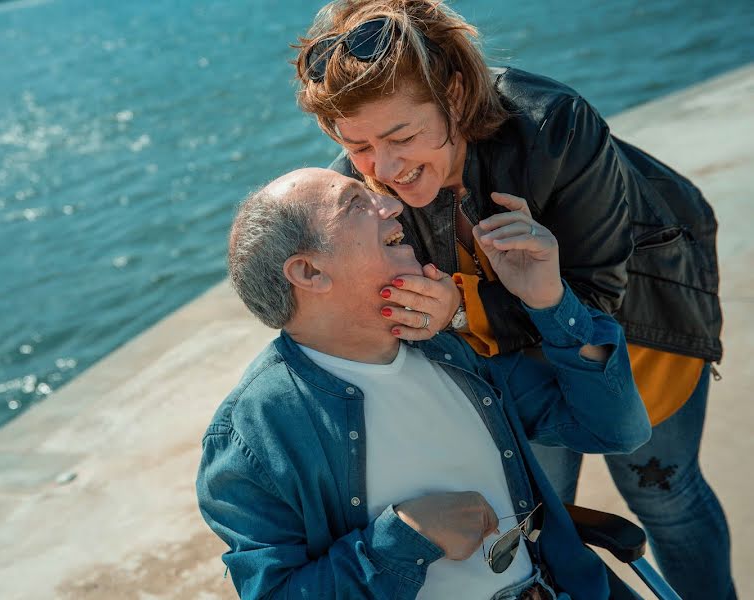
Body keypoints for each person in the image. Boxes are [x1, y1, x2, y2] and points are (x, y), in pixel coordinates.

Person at [291, 2, 732, 598]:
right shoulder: (360, 181)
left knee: (667, 495)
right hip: (513, 368)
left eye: (403, 136)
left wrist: (460, 311)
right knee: (535, 522)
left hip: (636, 326)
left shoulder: (555, 125)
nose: (384, 169)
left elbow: (597, 294)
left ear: (453, 92)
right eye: (358, 145)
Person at [197, 168, 651, 600]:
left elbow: (615, 429)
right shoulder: (253, 436)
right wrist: (408, 535)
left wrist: (548, 301)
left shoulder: (450, 350)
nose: (391, 204)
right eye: (356, 203)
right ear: (310, 273)